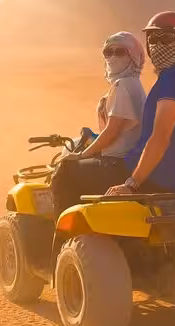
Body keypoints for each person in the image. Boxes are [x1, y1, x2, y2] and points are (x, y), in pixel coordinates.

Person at [106, 11, 175, 196]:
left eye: (165, 39)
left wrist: (132, 184)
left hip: (155, 177)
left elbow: (160, 137)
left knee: (68, 174)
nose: (158, 45)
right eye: (153, 39)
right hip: (169, 175)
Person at [51, 31, 147, 217]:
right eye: (107, 52)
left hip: (116, 163)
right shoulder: (134, 83)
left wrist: (83, 154)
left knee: (64, 172)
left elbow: (112, 130)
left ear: (133, 56)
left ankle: (63, 236)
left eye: (119, 52)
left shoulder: (122, 86)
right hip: (126, 161)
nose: (112, 57)